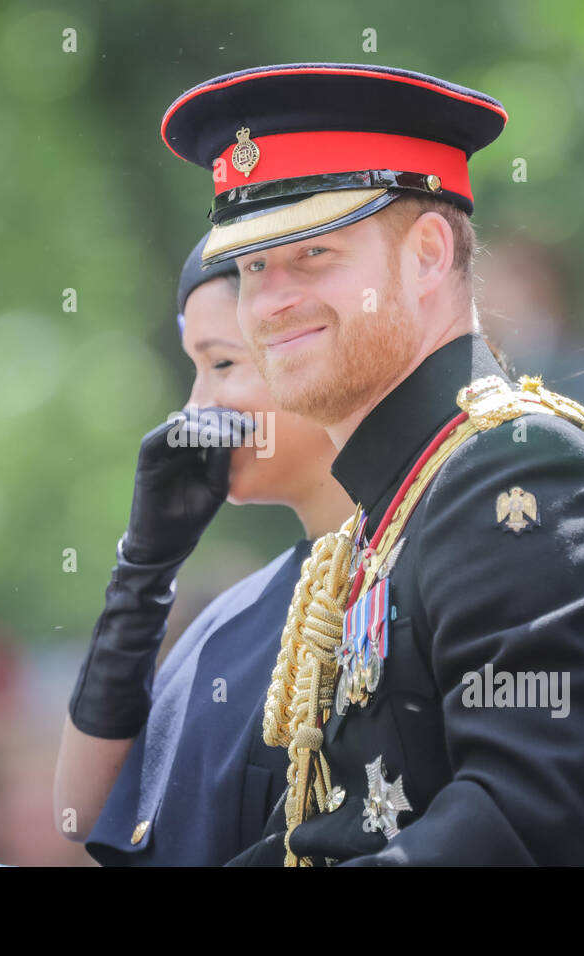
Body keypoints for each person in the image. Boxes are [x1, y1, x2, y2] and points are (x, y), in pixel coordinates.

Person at [159, 62, 584, 866]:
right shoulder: (391, 509)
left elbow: (521, 829)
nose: (267, 303)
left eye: (313, 255)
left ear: (428, 255)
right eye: (254, 266)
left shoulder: (519, 473)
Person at [54, 233, 353, 865]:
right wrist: (143, 570)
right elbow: (78, 811)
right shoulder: (230, 615)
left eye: (221, 365)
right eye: (195, 369)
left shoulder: (412, 570)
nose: (195, 408)